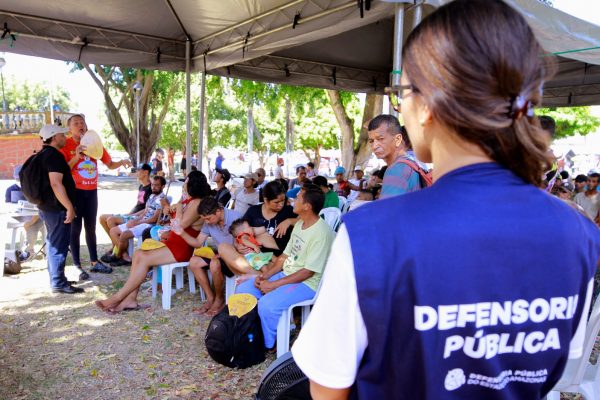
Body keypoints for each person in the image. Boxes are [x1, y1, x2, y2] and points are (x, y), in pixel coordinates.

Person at [292, 1, 600, 399]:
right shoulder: (578, 233)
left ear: (428, 103)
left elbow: (329, 388)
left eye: (402, 92)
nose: (401, 106)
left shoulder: (373, 234)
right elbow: (552, 369)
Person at [95, 171, 211, 313]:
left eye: (186, 181)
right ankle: (131, 299)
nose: (184, 184)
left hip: (181, 248)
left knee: (143, 258)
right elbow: (174, 219)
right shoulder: (188, 201)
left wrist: (178, 208)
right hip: (173, 243)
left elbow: (180, 225)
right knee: (138, 254)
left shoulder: (196, 203)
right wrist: (171, 209)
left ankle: (117, 298)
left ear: (192, 184)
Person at [237, 183, 334, 352]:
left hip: (308, 284)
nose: (293, 200)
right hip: (288, 274)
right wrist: (266, 276)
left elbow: (307, 272)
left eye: (298, 198)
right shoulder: (299, 224)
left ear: (307, 206)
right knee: (244, 290)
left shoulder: (321, 233)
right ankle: (252, 332)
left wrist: (274, 285)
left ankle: (270, 344)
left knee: (267, 304)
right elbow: (284, 257)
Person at [60, 114, 131, 279]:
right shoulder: (66, 144)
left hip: (91, 191)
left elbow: (109, 163)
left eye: (82, 122)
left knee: (91, 228)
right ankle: (77, 266)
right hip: (74, 192)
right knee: (75, 228)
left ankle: (94, 262)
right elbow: (63, 169)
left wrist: (121, 163)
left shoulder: (94, 143)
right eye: (76, 123)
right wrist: (77, 156)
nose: (80, 125)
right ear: (70, 129)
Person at [172, 196, 242, 316]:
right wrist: (181, 233)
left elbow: (243, 244)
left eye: (209, 219)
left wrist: (225, 253)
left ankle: (219, 299)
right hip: (220, 254)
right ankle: (210, 298)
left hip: (236, 256)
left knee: (214, 264)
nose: (207, 222)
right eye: (205, 219)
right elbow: (198, 243)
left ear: (218, 211)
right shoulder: (209, 221)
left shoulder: (236, 217)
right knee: (193, 262)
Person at [34, 125, 83, 293]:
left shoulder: (43, 154)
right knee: (58, 245)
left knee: (53, 242)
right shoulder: (54, 155)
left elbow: (62, 172)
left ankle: (58, 278)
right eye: (62, 135)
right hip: (56, 208)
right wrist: (69, 207)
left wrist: (76, 157)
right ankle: (58, 282)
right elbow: (56, 183)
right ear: (54, 137)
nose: (65, 138)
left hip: (47, 207)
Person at [106, 176, 167, 266]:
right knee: (113, 231)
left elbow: (154, 219)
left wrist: (137, 223)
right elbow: (145, 212)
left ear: (163, 186)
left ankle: (119, 256)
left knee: (124, 234)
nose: (153, 187)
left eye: (156, 185)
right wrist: (135, 220)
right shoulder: (152, 196)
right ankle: (124, 256)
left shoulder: (162, 199)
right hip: (142, 221)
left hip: (149, 224)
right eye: (152, 185)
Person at [98, 163, 152, 247]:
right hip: (132, 214)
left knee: (111, 220)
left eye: (138, 170)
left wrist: (133, 215)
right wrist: (130, 213)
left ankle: (119, 250)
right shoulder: (141, 186)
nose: (136, 172)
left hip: (137, 217)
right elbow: (138, 205)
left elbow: (147, 209)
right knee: (102, 218)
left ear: (145, 172)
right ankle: (115, 244)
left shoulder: (151, 188)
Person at [368, 116, 422, 199]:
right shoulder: (409, 163)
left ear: (398, 139)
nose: (374, 146)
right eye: (371, 141)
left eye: (380, 139)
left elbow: (387, 210)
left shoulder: (397, 169)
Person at [5, 165, 44, 262]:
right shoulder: (10, 189)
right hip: (18, 217)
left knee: (31, 226)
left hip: (36, 217)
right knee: (28, 225)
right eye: (17, 179)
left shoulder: (34, 188)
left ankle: (28, 251)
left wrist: (30, 221)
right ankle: (27, 251)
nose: (19, 181)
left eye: (21, 179)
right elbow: (8, 207)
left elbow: (40, 208)